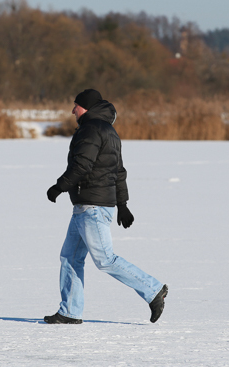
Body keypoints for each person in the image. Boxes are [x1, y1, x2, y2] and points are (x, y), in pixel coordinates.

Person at [44, 89, 168, 324]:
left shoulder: (90, 130)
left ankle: (153, 290)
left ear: (86, 108)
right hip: (88, 205)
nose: (72, 110)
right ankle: (70, 311)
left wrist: (58, 187)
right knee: (70, 258)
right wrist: (122, 204)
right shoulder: (109, 131)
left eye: (76, 106)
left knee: (105, 259)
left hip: (92, 205)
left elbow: (82, 165)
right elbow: (118, 171)